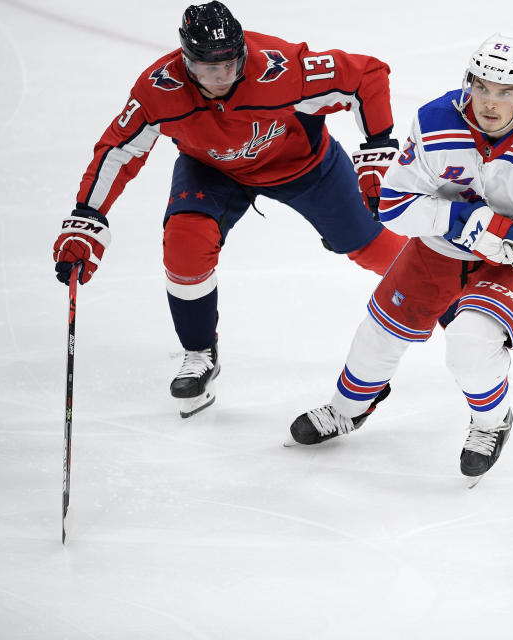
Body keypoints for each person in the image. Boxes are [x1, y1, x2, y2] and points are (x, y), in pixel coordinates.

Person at [288, 34, 513, 481]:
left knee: (470, 341)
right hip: (445, 244)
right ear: (468, 82)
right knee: (378, 334)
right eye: (482, 86)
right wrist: (462, 220)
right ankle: (349, 408)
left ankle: (491, 421)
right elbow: (394, 204)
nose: (491, 102)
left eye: (505, 92)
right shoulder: (435, 121)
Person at [51, 1, 405, 418]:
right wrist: (88, 216)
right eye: (206, 69)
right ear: (186, 62)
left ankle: (452, 290)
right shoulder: (158, 88)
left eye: (229, 65)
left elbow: (366, 74)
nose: (220, 78)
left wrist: (378, 147)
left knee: (371, 245)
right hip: (212, 170)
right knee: (184, 243)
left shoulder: (283, 67)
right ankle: (200, 352)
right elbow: (118, 149)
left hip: (304, 167)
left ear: (242, 53)